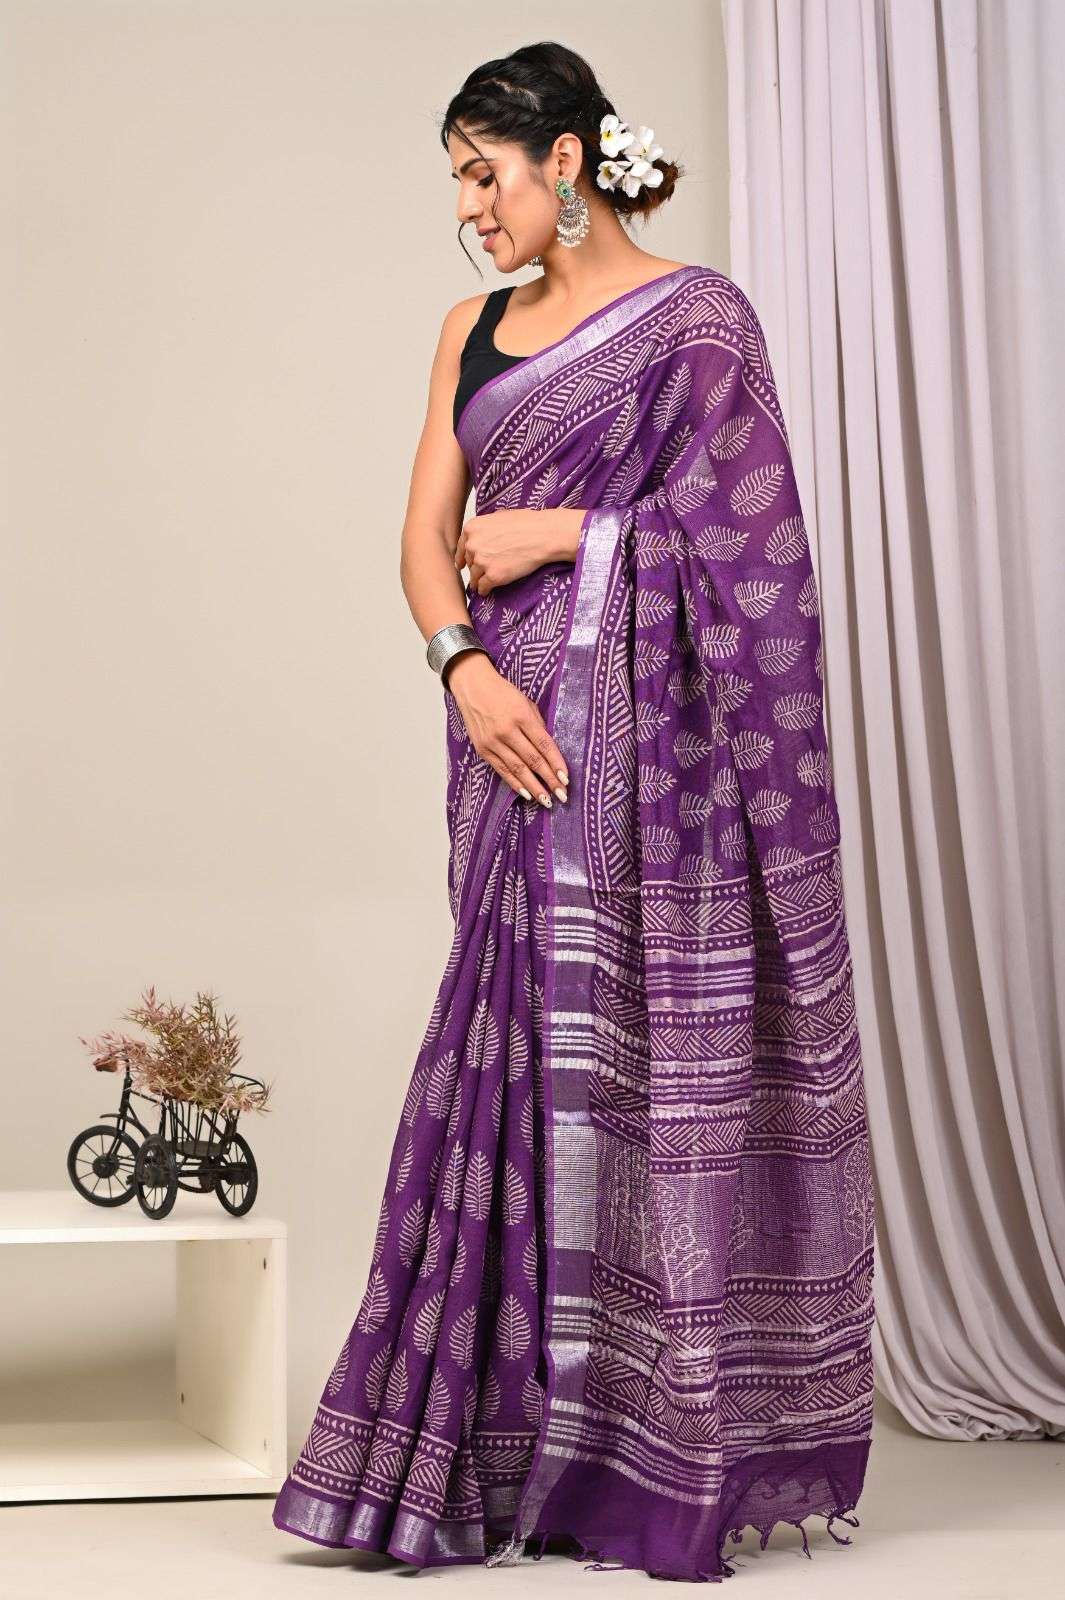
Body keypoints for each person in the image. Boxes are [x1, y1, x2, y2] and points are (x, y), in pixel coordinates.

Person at [271, 41, 875, 1583]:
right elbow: (423, 537)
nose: (468, 210)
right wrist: (462, 667)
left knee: (635, 1070)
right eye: (455, 181)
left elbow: (757, 555)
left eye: (486, 175)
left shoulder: (697, 319)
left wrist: (571, 534)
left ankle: (626, 1458)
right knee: (507, 1055)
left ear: (568, 162)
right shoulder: (467, 331)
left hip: (654, 763)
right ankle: (470, 1448)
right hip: (510, 742)